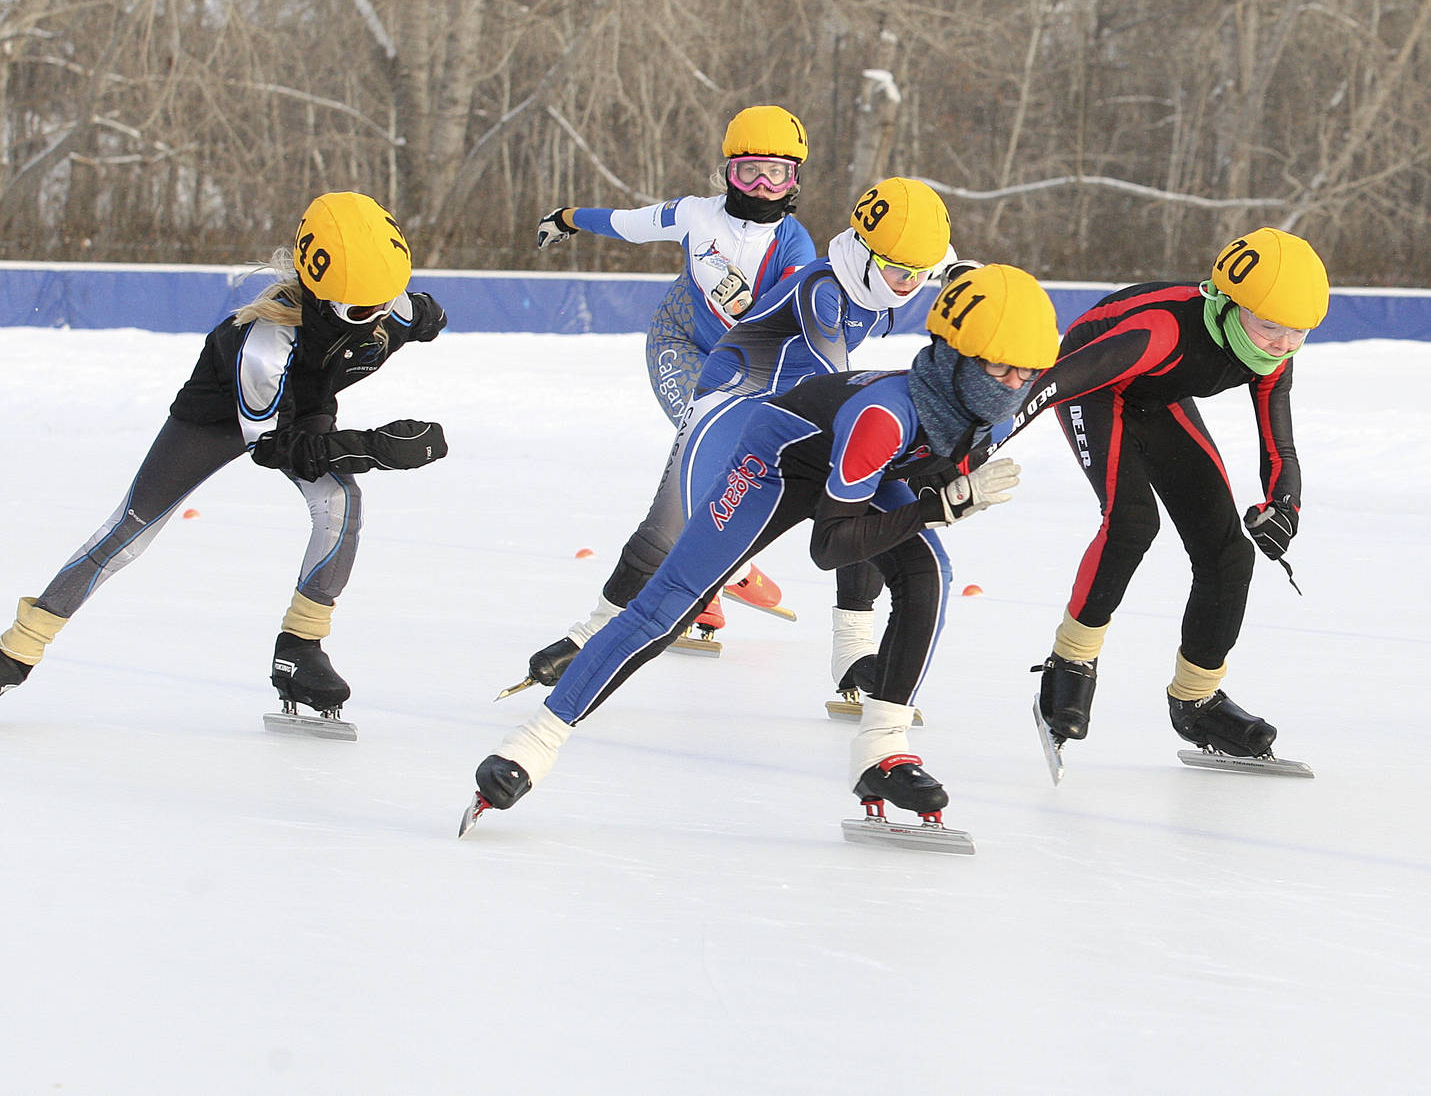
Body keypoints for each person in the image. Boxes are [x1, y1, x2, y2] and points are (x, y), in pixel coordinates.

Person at [463, 264, 1060, 835]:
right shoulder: (886, 413)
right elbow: (831, 547)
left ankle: (883, 750)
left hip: (857, 467)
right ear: (953, 357)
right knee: (665, 607)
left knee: (929, 569)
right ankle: (532, 744)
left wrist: (940, 496)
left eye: (1025, 373)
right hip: (775, 465)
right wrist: (942, 505)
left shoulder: (987, 414)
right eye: (1000, 368)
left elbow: (923, 477)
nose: (1013, 386)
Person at [512, 176, 965, 705]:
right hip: (732, 405)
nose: (907, 284)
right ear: (862, 251)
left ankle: (850, 653)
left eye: (917, 273)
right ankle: (592, 634)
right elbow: (838, 383)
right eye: (895, 271)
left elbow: (952, 267)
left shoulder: (903, 255)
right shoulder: (823, 289)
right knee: (672, 527)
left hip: (798, 408)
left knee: (862, 499)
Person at [0, 192, 449, 722]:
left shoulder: (390, 310)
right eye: (360, 309)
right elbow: (274, 449)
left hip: (300, 414)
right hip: (216, 421)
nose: (378, 317)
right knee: (129, 531)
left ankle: (300, 649)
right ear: (320, 296)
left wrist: (415, 317)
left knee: (342, 506)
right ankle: (16, 651)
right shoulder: (263, 343)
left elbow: (426, 315)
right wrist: (375, 447)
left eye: (389, 299)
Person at [1015, 228, 1328, 764]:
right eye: (1269, 325)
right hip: (1093, 385)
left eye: (1297, 332)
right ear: (1227, 302)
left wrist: (1285, 505)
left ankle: (1197, 700)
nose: (1280, 343)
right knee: (1132, 522)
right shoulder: (1163, 330)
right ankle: (1070, 663)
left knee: (1228, 552)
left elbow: (1280, 444)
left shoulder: (1276, 353)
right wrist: (968, 452)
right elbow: (1047, 386)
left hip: (1158, 396)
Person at [535, 104, 818, 634]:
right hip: (679, 344)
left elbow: (788, 321)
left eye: (776, 174)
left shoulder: (795, 246)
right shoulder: (695, 215)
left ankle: (712, 577)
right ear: (728, 171)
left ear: (794, 180)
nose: (760, 186)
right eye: (748, 170)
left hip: (742, 367)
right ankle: (725, 574)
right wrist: (568, 217)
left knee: (736, 458)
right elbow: (628, 225)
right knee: (704, 450)